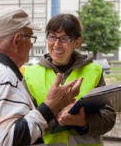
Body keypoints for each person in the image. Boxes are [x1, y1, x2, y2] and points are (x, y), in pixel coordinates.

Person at [0, 8, 83, 146]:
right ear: (17, 41)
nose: (31, 44)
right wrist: (50, 106)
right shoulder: (2, 79)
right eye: (30, 37)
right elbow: (6, 141)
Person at [22, 13, 116, 146]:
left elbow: (109, 117)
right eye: (52, 37)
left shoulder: (94, 71)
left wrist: (83, 122)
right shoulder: (31, 74)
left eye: (64, 38)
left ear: (77, 42)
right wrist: (57, 119)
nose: (56, 44)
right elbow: (22, 124)